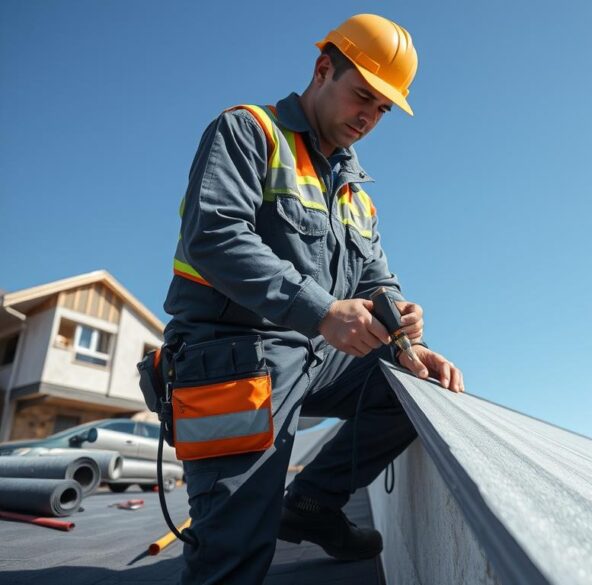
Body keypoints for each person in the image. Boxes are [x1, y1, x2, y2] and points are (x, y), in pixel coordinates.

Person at [161, 13, 463, 584]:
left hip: (313, 356)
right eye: (362, 98)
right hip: (233, 359)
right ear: (323, 69)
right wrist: (322, 311)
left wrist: (404, 338)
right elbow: (214, 236)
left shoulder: (355, 193)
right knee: (234, 554)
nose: (370, 117)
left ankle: (312, 505)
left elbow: (378, 282)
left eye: (382, 109)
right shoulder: (249, 131)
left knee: (412, 391)